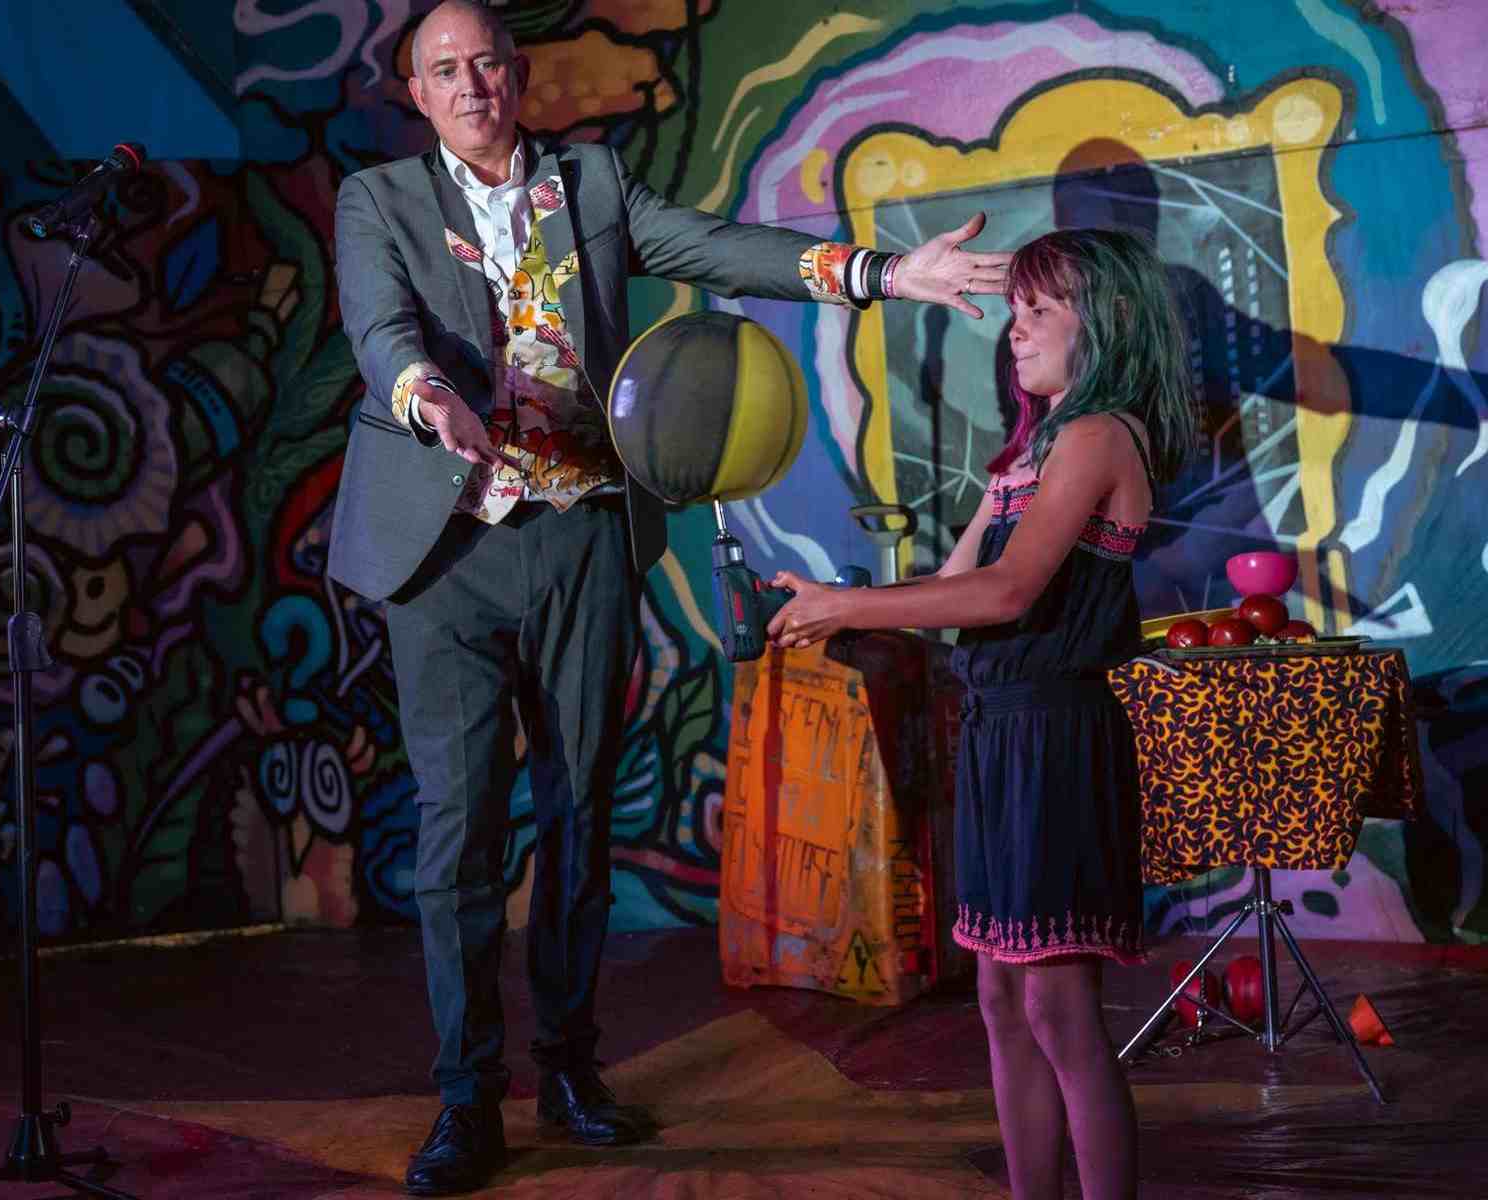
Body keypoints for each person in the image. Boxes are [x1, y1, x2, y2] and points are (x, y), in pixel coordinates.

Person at [326, 2, 1012, 1193]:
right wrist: (429, 394)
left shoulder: (589, 183)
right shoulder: (378, 202)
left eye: (488, 61)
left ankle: (574, 1068)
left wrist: (887, 271)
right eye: (446, 69)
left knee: (580, 809)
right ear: (418, 92)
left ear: (518, 75)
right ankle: (466, 1099)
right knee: (458, 837)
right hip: (443, 554)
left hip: (583, 532)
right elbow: (380, 327)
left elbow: (720, 246)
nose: (473, 82)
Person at [767, 227, 1197, 1200]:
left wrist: (848, 606)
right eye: (1016, 307)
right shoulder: (1033, 451)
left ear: (1112, 323)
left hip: (1054, 735)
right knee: (1004, 996)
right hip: (1002, 734)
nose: (1018, 327)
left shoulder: (1100, 436)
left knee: (1057, 1007)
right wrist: (834, 602)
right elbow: (958, 592)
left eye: (1045, 309)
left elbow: (1005, 595)